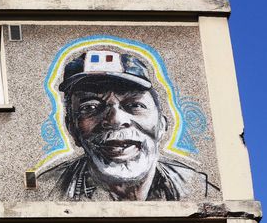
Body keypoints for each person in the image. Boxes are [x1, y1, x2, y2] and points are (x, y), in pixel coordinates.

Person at [37, 50, 216, 201]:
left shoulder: (200, 190)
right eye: (90, 107)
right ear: (72, 129)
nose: (115, 120)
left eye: (135, 105)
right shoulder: (48, 191)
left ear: (161, 125)